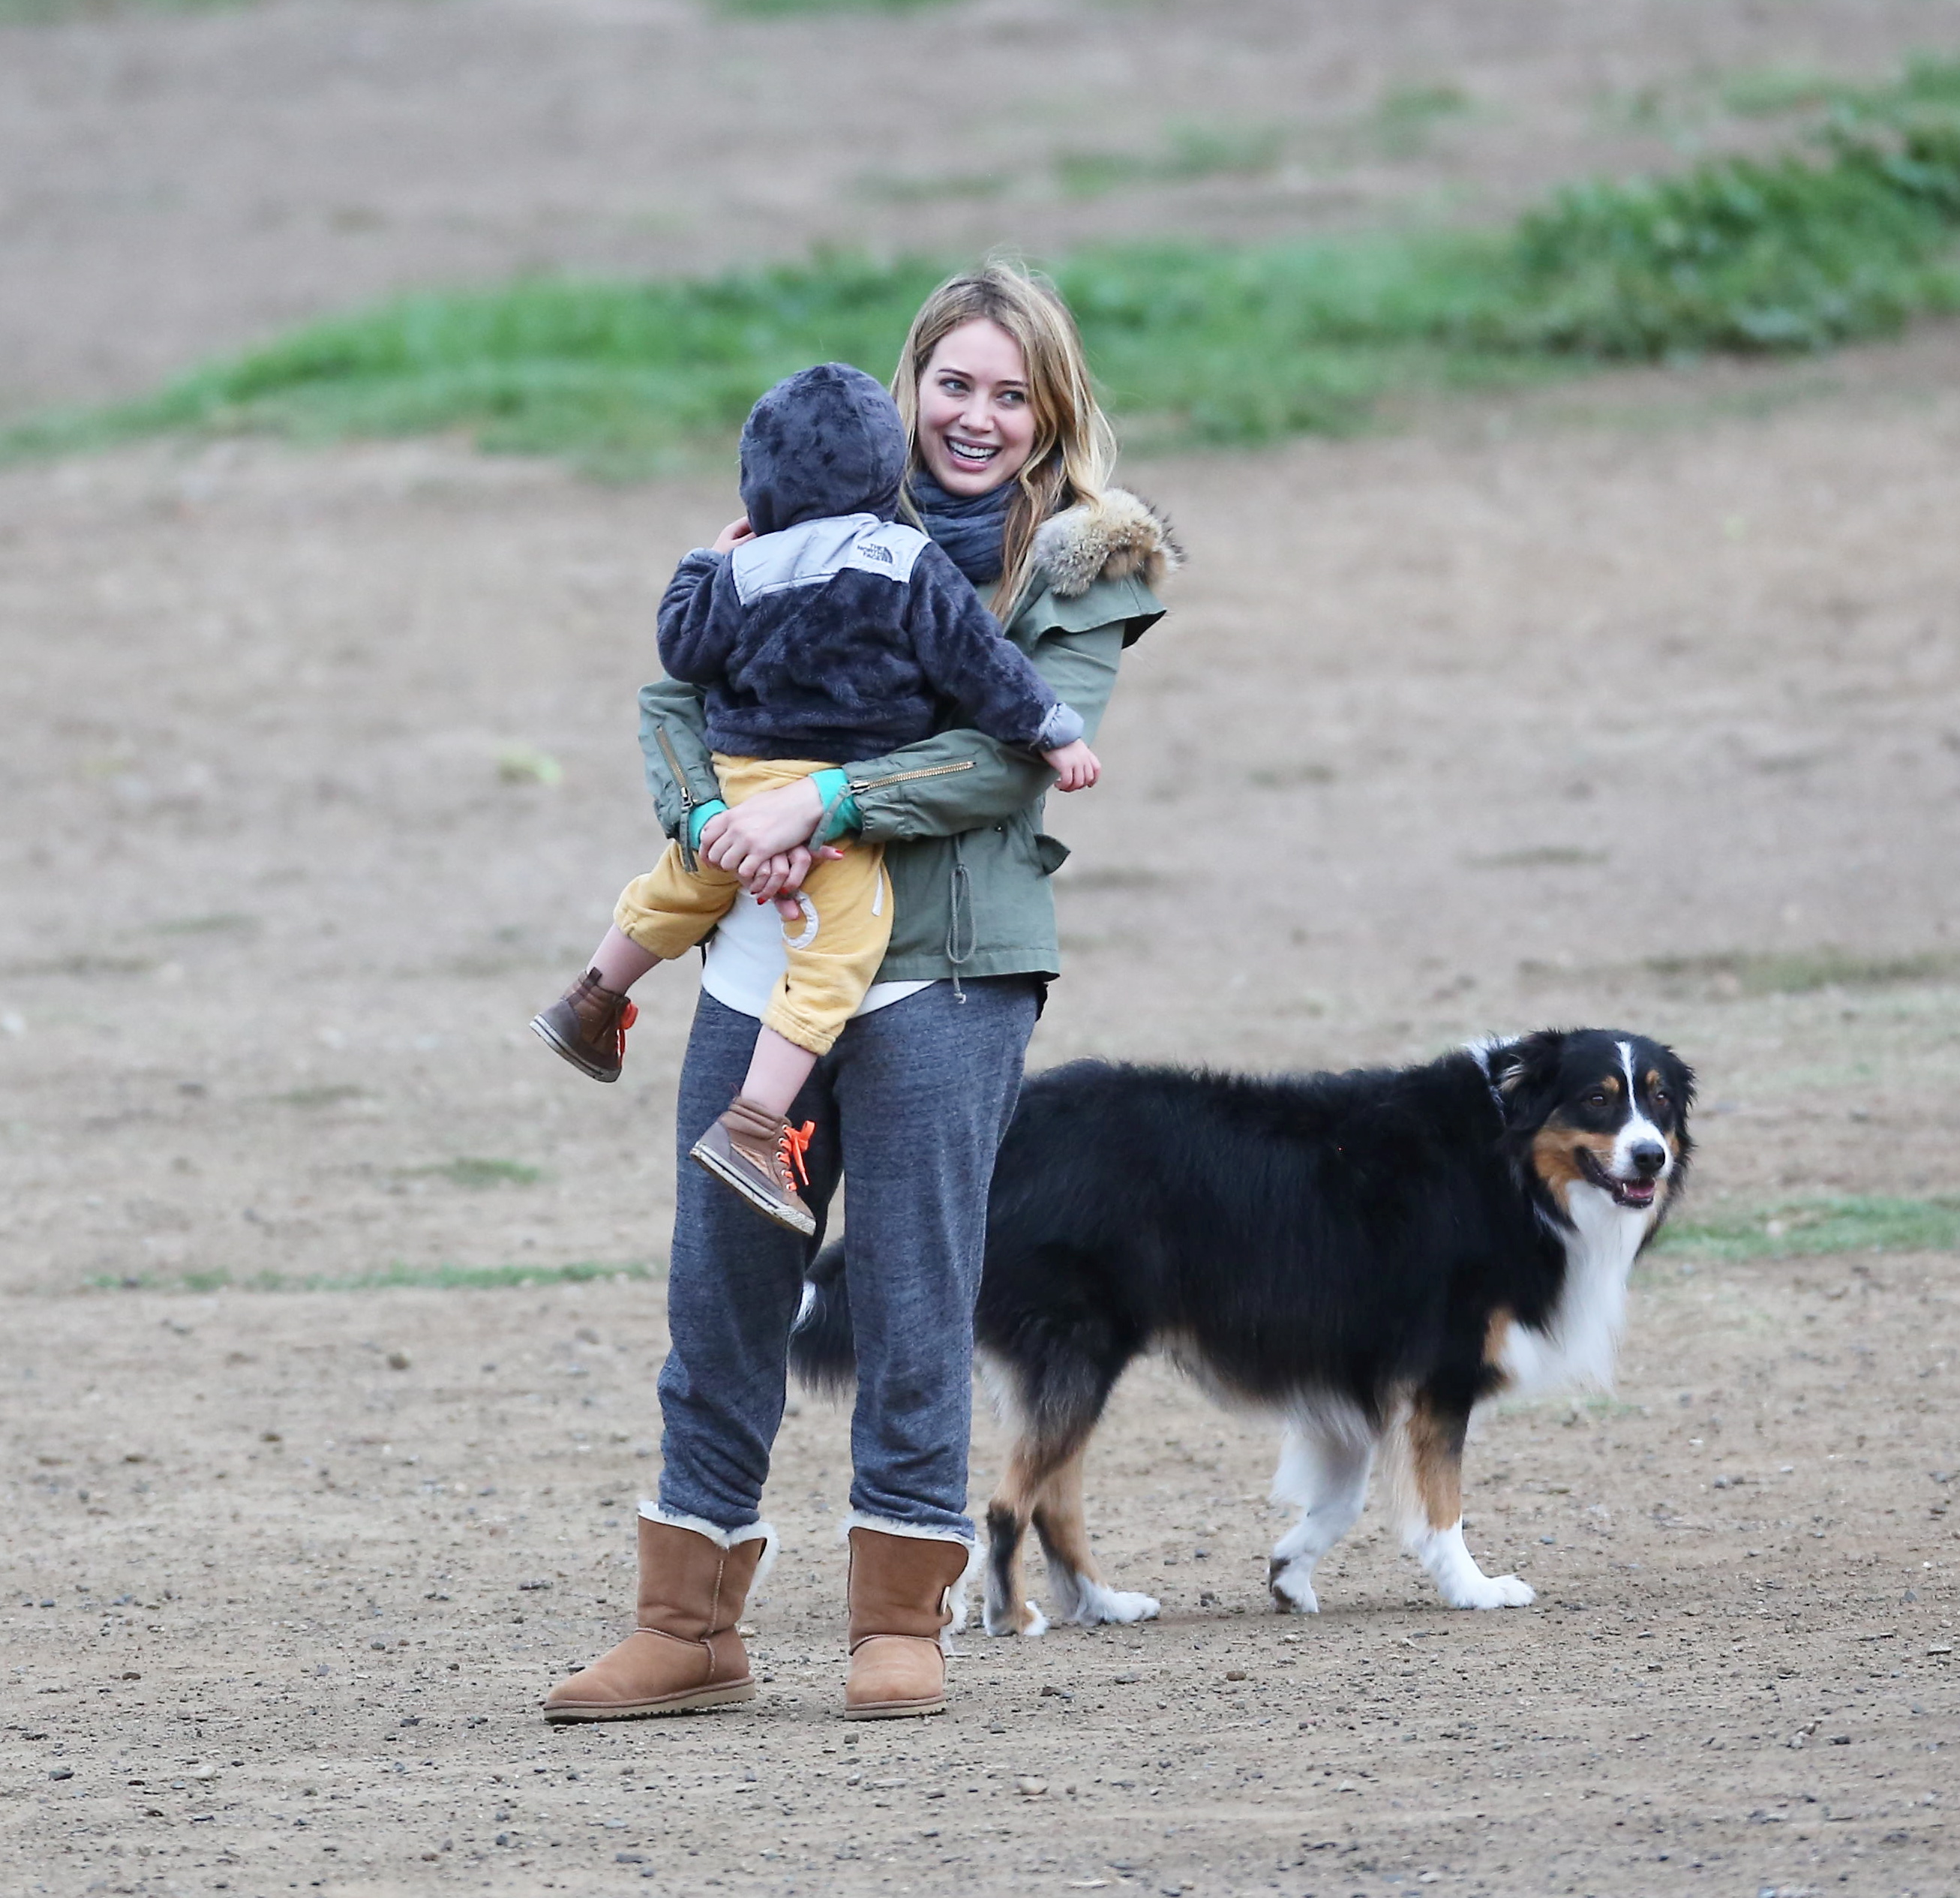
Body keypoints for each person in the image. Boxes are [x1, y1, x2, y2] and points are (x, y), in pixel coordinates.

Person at [542, 261, 1178, 1726]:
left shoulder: (1088, 562)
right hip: (764, 958)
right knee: (723, 1279)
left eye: (1010, 391)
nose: (978, 414)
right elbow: (671, 697)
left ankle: (902, 1618)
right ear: (908, 392)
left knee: (911, 1286)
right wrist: (708, 815)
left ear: (1052, 408)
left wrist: (819, 797)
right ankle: (685, 1620)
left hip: (947, 973)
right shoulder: (795, 524)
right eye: (952, 383)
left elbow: (1012, 754)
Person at [530, 362, 1100, 1238]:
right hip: (836, 793)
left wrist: (708, 565)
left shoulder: (747, 562)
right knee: (841, 945)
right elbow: (984, 668)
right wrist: (1055, 731)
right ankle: (757, 1123)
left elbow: (681, 652)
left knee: (682, 883)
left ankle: (592, 998)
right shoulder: (906, 558)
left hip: (742, 777)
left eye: (1010, 395)